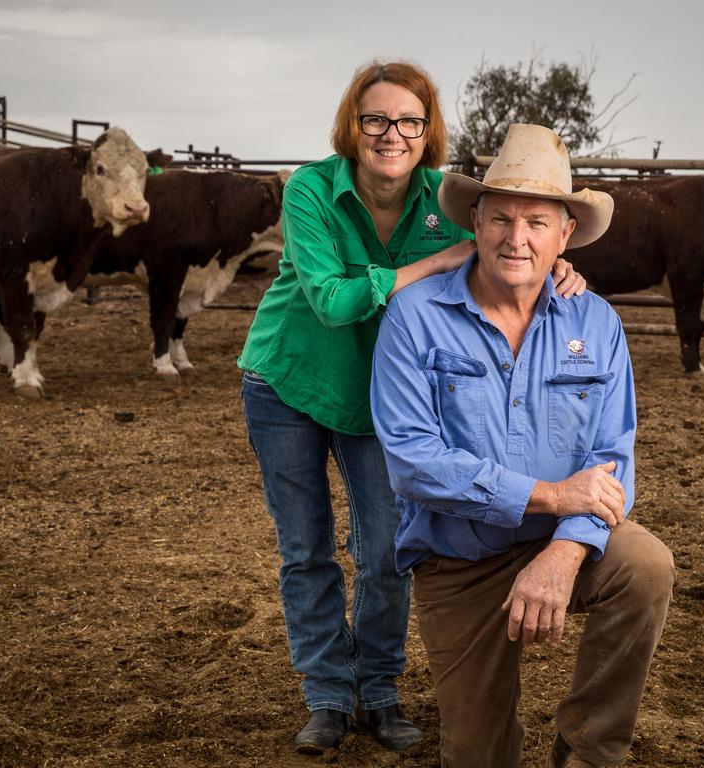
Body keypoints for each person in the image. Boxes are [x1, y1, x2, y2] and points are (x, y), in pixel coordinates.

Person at [238, 63, 586, 756]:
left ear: (427, 132)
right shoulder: (310, 189)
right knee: (305, 549)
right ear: (353, 126)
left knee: (387, 550)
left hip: (383, 395)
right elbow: (334, 302)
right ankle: (327, 696)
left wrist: (558, 268)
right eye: (375, 120)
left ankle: (381, 687)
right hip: (288, 381)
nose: (391, 134)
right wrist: (434, 264)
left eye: (409, 121)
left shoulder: (446, 199)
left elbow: (504, 247)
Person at [370, 124, 675, 768]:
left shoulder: (595, 321)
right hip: (458, 559)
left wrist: (564, 551)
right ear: (473, 223)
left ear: (565, 235)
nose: (518, 239)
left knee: (644, 565)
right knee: (479, 756)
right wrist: (551, 494)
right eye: (502, 219)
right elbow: (412, 461)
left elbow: (612, 457)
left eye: (538, 221)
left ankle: (590, 752)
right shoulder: (414, 316)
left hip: (559, 539)